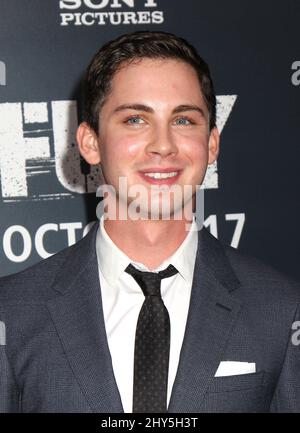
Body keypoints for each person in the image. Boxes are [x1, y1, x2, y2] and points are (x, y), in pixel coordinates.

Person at [0, 31, 299, 413]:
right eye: (136, 119)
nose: (163, 144)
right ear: (90, 143)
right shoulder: (12, 312)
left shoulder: (282, 309)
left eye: (184, 120)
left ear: (211, 144)